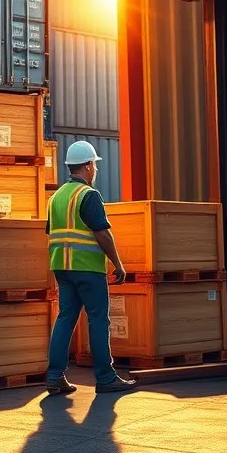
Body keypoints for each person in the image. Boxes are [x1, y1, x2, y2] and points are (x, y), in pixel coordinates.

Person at [45, 140, 136, 396]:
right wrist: (117, 264)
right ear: (87, 166)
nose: (95, 169)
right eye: (94, 164)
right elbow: (103, 234)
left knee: (65, 318)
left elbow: (51, 232)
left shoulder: (56, 197)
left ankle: (54, 376)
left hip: (62, 268)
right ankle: (106, 378)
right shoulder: (89, 195)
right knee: (98, 320)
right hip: (87, 269)